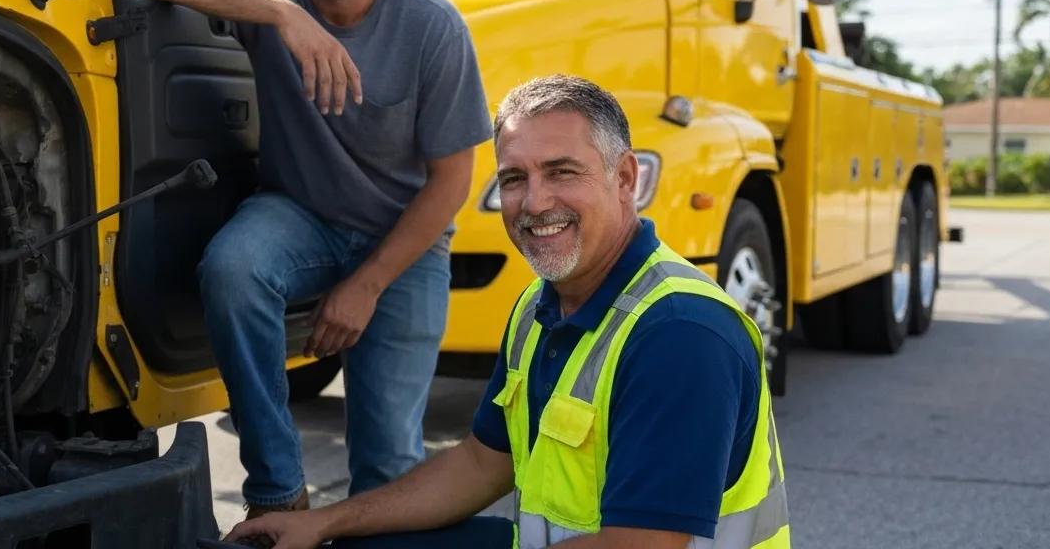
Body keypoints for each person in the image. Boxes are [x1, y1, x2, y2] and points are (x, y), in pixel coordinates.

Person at [228, 75, 790, 549]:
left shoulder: (680, 333)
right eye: (515, 179)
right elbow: (480, 462)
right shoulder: (539, 304)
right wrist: (323, 523)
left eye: (562, 171)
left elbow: (641, 543)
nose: (535, 202)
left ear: (625, 180)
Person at [121, 0, 491, 535]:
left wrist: (368, 284)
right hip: (303, 216)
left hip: (404, 241)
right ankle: (279, 492)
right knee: (234, 267)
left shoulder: (432, 27)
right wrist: (284, 17)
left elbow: (452, 183)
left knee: (390, 466)